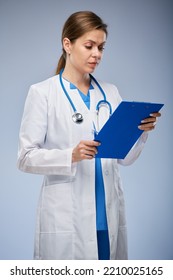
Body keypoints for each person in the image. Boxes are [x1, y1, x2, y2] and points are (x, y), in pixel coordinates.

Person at [17, 11, 161, 260]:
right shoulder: (42, 93)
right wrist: (70, 155)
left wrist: (140, 132)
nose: (97, 54)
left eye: (101, 47)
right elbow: (25, 157)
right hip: (66, 219)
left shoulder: (110, 92)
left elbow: (124, 159)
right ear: (67, 44)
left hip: (107, 216)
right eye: (89, 46)